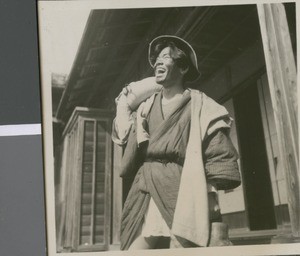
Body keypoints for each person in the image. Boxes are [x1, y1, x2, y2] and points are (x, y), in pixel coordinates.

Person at [112, 35, 241, 250]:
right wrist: (124, 102)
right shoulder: (145, 107)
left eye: (165, 57)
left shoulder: (201, 106)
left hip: (181, 187)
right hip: (146, 187)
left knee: (178, 246)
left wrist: (211, 198)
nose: (158, 63)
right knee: (135, 245)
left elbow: (216, 153)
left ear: (183, 68)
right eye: (157, 60)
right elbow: (125, 135)